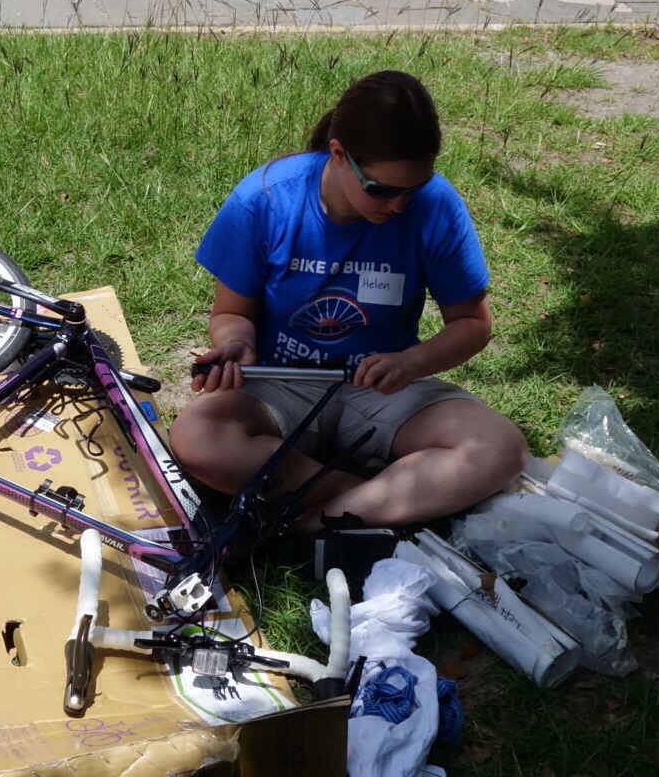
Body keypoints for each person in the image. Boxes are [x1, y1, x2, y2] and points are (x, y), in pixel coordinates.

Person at [168, 70, 528, 534]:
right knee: (197, 436)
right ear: (338, 155)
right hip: (282, 381)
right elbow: (232, 313)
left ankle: (314, 521)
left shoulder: (436, 206)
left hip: (385, 389)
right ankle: (373, 496)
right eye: (381, 190)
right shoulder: (265, 200)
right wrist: (238, 345)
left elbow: (473, 324)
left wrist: (412, 362)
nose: (398, 206)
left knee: (500, 448)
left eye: (413, 189)